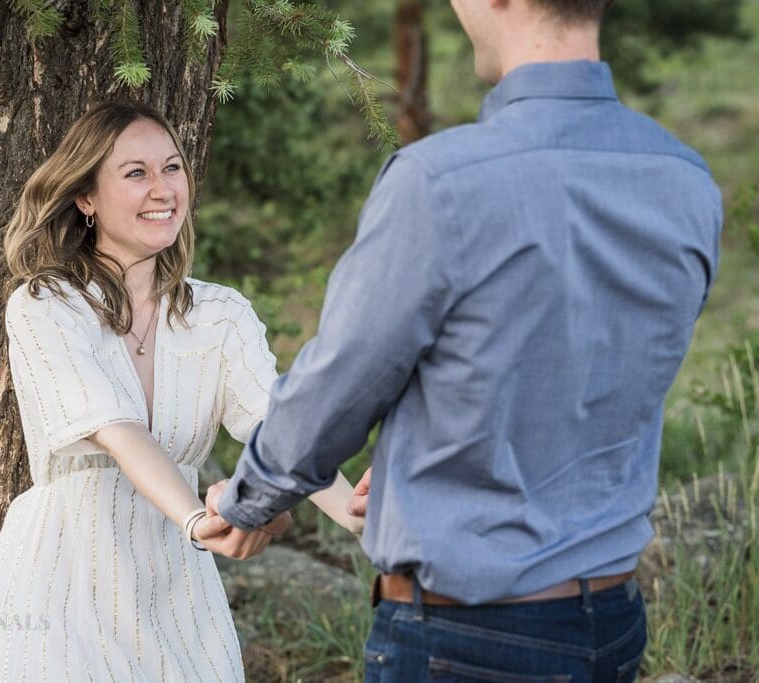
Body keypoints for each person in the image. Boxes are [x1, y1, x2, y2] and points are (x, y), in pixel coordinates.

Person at [208, 0, 723, 680]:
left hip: (465, 641)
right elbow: (588, 378)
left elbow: (335, 390)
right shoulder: (686, 181)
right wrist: (412, 470)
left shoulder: (440, 183)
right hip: (615, 626)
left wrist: (249, 499)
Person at [0, 100, 363, 682]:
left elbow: (281, 430)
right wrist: (199, 521)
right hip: (62, 577)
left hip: (176, 587)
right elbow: (118, 430)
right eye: (136, 173)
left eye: (172, 168)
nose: (163, 188)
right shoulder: (48, 306)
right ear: (85, 198)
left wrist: (355, 515)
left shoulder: (220, 314)